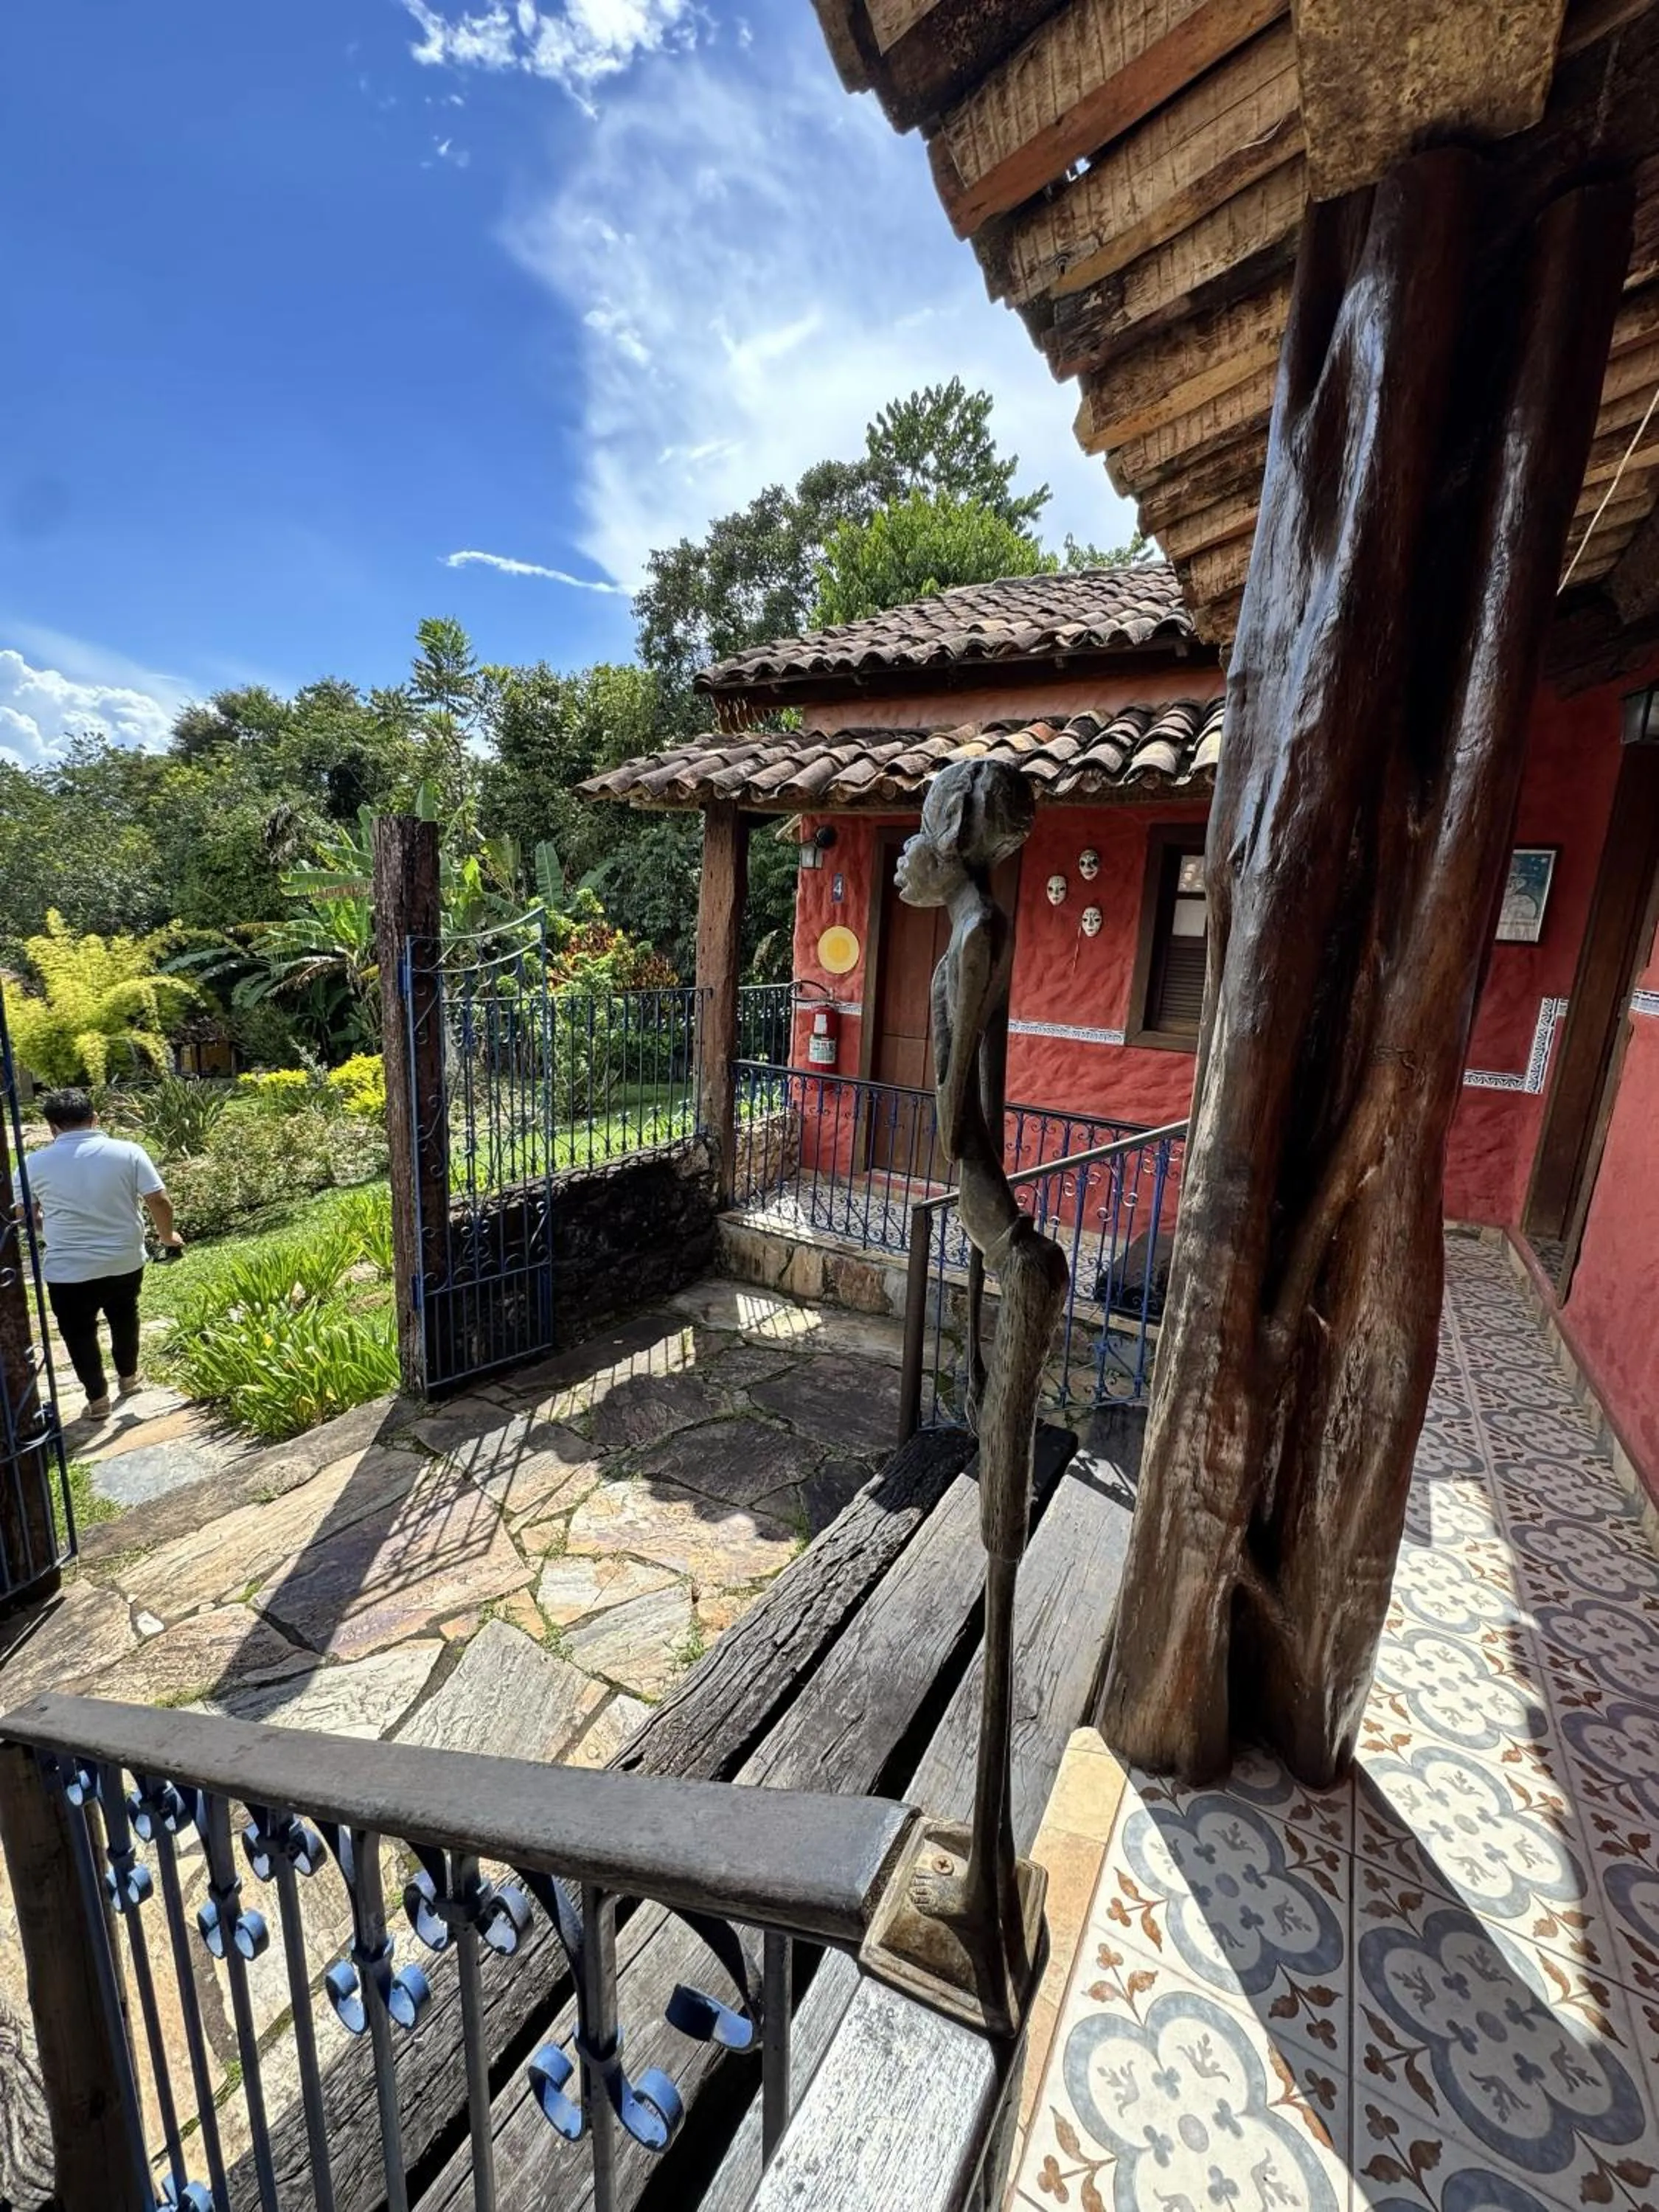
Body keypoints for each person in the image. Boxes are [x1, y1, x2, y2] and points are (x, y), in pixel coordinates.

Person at [12, 1088, 183, 1422]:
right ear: (95, 1118)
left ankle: (97, 1398)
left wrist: (48, 1226)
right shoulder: (128, 1152)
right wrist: (167, 1236)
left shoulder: (33, 1164)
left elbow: (23, 1216)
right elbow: (159, 1200)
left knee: (78, 1332)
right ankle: (129, 1378)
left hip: (67, 1268)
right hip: (124, 1259)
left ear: (52, 1127)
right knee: (124, 1315)